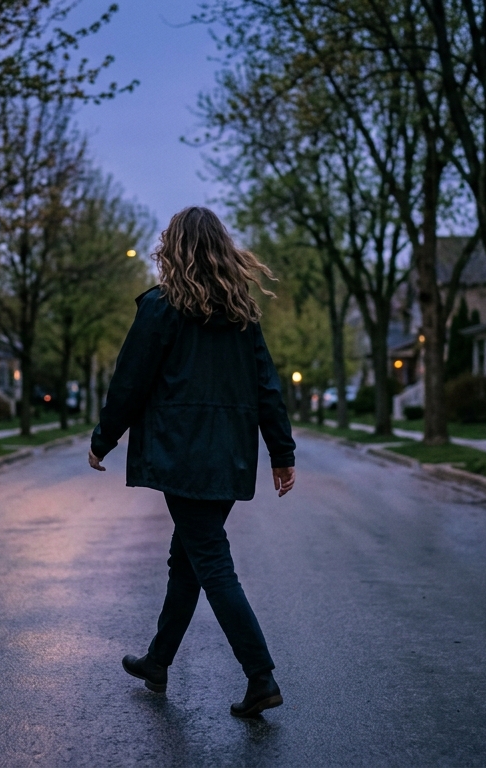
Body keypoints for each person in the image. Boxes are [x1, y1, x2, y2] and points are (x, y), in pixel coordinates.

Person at [87, 206, 296, 719]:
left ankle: (260, 675)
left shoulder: (160, 309)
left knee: (211, 563)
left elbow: (130, 381)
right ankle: (158, 661)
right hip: (226, 459)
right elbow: (268, 386)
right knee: (189, 560)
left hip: (181, 457)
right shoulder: (242, 314)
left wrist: (103, 438)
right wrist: (281, 453)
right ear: (222, 251)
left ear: (173, 249)